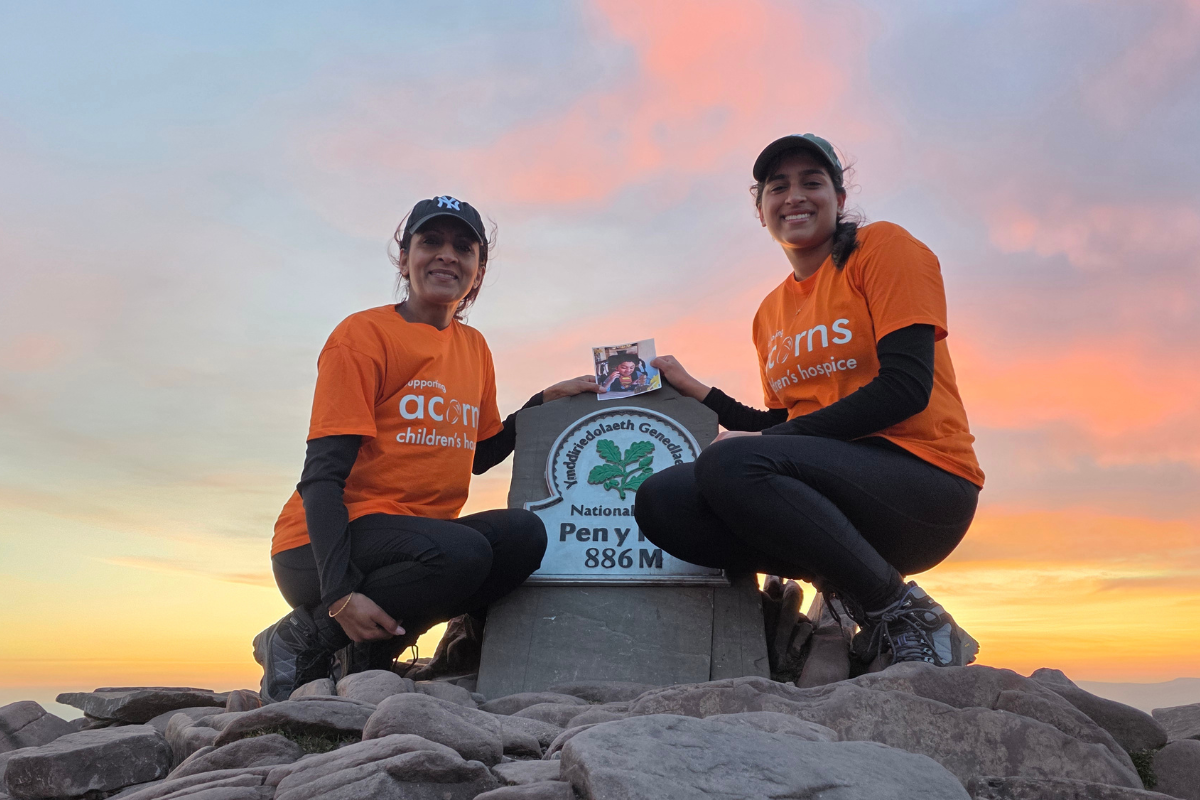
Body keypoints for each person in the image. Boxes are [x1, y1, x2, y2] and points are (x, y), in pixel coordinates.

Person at [636, 135, 985, 668]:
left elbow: (906, 388)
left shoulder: (883, 248)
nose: (794, 196)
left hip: (923, 486)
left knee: (732, 461)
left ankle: (906, 612)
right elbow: (788, 422)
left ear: (840, 199)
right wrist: (697, 390)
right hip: (830, 492)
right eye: (778, 187)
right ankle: (842, 590)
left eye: (812, 182)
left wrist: (762, 443)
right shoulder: (770, 312)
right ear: (760, 211)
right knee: (662, 501)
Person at [254, 195, 599, 702]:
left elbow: (475, 454)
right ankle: (303, 637)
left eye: (464, 247)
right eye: (430, 241)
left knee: (523, 535)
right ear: (404, 258)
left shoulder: (474, 347)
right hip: (321, 547)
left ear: (478, 270)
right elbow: (322, 478)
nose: (446, 255)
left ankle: (371, 652)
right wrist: (338, 594)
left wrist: (542, 405)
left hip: (415, 545)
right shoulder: (363, 335)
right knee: (462, 553)